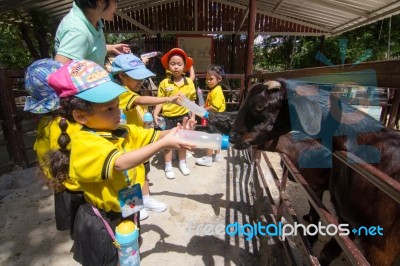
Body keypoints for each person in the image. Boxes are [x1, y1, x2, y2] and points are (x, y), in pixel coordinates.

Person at [46, 59, 195, 265]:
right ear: (80, 116)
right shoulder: (85, 141)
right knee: (107, 258)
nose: (118, 112)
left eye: (117, 105)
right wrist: (163, 145)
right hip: (103, 218)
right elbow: (119, 163)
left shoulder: (121, 130)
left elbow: (152, 136)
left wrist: (177, 133)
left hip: (128, 206)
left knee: (129, 251)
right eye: (108, 109)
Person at [110, 53, 181, 219]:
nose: (141, 81)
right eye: (137, 77)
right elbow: (140, 100)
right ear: (122, 75)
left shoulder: (129, 89)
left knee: (143, 171)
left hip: (140, 138)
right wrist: (168, 99)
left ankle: (146, 199)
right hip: (128, 142)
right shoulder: (121, 92)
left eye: (142, 77)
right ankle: (134, 206)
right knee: (130, 176)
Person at [24, 59, 83, 237]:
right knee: (83, 223)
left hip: (58, 180)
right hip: (78, 185)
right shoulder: (71, 124)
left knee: (73, 220)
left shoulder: (45, 122)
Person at [153, 48, 196, 179]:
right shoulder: (164, 83)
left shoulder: (189, 82)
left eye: (179, 64)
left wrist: (193, 117)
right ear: (168, 66)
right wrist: (155, 114)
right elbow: (160, 100)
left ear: (185, 66)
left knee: (183, 141)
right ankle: (168, 165)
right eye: (173, 64)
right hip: (168, 117)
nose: (176, 67)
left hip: (184, 117)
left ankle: (182, 163)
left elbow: (192, 100)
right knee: (168, 143)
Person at [54, 0, 130, 66]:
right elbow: (59, 75)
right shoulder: (78, 32)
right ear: (100, 1)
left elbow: (85, 47)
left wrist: (110, 48)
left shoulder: (92, 20)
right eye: (115, 1)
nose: (117, 6)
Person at [196, 65, 228, 166]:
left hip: (215, 117)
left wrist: (203, 109)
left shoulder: (216, 91)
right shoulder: (214, 90)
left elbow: (215, 107)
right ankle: (217, 156)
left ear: (219, 79)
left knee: (211, 137)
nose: (208, 81)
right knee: (217, 137)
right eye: (207, 79)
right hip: (218, 117)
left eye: (211, 79)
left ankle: (208, 158)